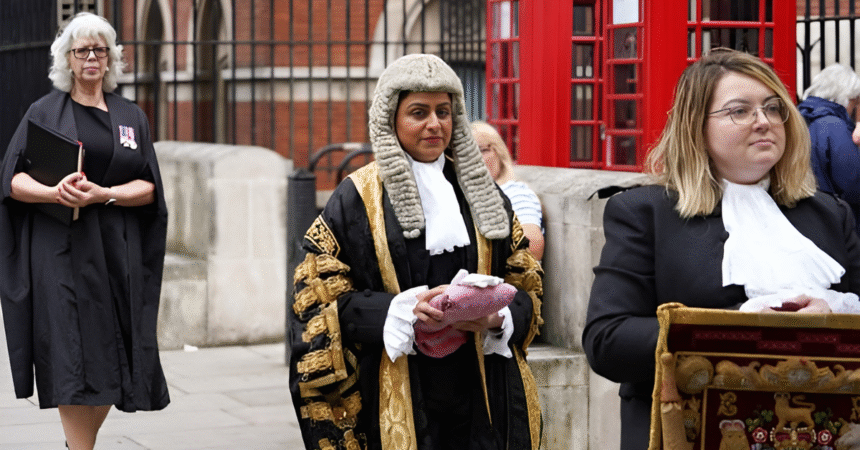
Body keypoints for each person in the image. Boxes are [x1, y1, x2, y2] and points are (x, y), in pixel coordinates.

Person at [581, 49, 860, 449]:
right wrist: (738, 326)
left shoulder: (831, 214)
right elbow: (607, 341)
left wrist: (835, 314)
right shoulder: (644, 213)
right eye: (739, 111)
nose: (763, 122)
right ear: (697, 127)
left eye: (772, 108)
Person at [288, 54, 543, 450]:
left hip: (478, 388)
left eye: (444, 111)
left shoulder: (483, 192)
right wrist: (398, 310)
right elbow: (316, 303)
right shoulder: (356, 198)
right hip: (396, 386)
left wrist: (497, 317)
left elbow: (525, 283)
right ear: (391, 118)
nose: (434, 124)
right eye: (418, 112)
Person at [0, 12, 169, 450]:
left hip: (116, 255)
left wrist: (103, 193)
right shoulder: (44, 112)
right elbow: (12, 180)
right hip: (60, 254)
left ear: (111, 59)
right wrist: (54, 192)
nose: (92, 57)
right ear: (68, 60)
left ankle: (79, 444)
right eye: (82, 51)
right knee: (71, 354)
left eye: (100, 50)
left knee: (116, 353)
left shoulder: (130, 116)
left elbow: (150, 186)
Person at [798, 64, 860, 236]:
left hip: (804, 214)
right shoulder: (834, 127)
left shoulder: (799, 117)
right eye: (854, 102)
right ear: (846, 98)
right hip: (834, 221)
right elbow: (852, 183)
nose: (853, 108)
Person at [472, 121, 545, 260]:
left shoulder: (515, 193)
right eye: (468, 152)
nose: (476, 159)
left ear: (499, 153)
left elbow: (532, 246)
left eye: (482, 150)